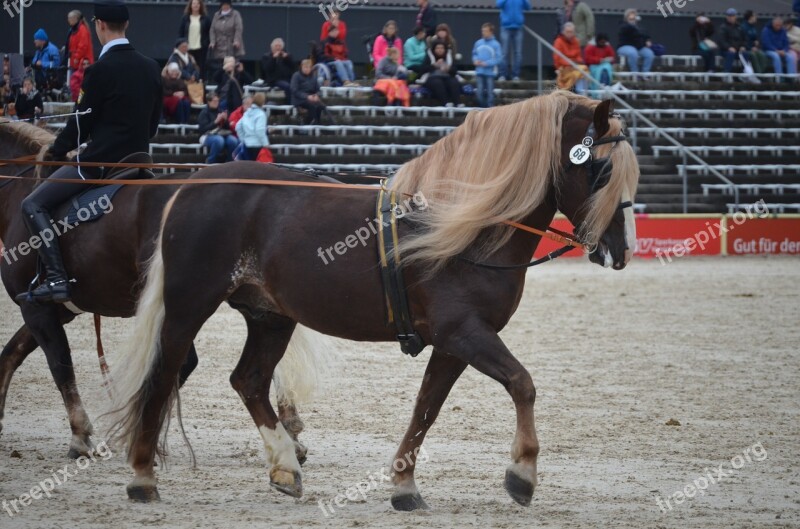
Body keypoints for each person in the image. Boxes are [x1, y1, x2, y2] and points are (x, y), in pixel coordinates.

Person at [17, 0, 162, 304]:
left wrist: (56, 151)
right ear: (127, 26)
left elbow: (80, 129)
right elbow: (152, 126)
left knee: (32, 204)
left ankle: (57, 278)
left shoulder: (98, 70)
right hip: (139, 162)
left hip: (99, 164)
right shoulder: (151, 67)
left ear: (98, 25)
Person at [208, 0, 244, 81]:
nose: (225, 6)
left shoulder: (235, 14)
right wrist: (213, 41)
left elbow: (238, 28)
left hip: (232, 46)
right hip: (220, 46)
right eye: (223, 5)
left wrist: (236, 40)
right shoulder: (216, 15)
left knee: (232, 66)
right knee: (221, 68)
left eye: (227, 5)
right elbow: (212, 29)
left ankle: (233, 82)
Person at [198, 92, 238, 163]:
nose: (216, 103)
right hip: (207, 135)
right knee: (219, 140)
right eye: (214, 101)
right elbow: (203, 129)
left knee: (233, 141)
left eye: (217, 101)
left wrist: (226, 120)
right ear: (209, 102)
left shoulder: (221, 111)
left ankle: (230, 162)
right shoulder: (204, 113)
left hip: (222, 133)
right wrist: (215, 122)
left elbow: (228, 128)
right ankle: (210, 161)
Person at [496, 0, 530, 81]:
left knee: (518, 53)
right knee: (504, 53)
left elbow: (528, 7)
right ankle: (503, 75)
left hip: (518, 28)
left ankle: (516, 75)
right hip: (505, 28)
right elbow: (498, 4)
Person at [178, 0, 211, 78]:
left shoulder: (205, 18)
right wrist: (179, 45)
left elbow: (210, 32)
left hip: (201, 48)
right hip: (188, 48)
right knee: (188, 68)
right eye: (194, 3)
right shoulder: (185, 18)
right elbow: (180, 33)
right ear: (190, 5)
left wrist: (207, 43)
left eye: (198, 4)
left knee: (200, 68)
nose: (196, 5)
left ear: (200, 6)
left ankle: (200, 86)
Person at [472, 22, 502, 107]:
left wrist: (487, 63)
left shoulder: (496, 44)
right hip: (479, 71)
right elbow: (474, 54)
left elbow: (498, 58)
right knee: (479, 93)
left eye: (485, 31)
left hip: (490, 73)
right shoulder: (478, 43)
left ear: (491, 32)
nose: (483, 33)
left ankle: (489, 110)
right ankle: (482, 108)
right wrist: (475, 60)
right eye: (482, 31)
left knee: (490, 93)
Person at [553, 23, 588, 95]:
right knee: (582, 70)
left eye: (571, 32)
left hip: (575, 66)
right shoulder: (558, 41)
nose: (570, 34)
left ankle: (581, 93)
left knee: (583, 69)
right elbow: (558, 58)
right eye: (567, 32)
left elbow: (579, 56)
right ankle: (580, 93)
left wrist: (575, 61)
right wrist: (571, 62)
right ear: (563, 32)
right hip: (563, 67)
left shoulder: (576, 41)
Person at [423, 40, 461, 106]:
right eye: (438, 48)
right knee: (438, 83)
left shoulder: (449, 57)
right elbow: (423, 69)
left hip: (447, 76)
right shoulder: (429, 57)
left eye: (442, 48)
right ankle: (445, 102)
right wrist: (435, 65)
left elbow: (455, 70)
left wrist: (448, 69)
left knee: (454, 82)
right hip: (432, 77)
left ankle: (457, 103)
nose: (440, 50)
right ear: (434, 49)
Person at [617, 8, 654, 74]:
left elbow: (645, 35)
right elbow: (628, 29)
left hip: (638, 48)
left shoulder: (639, 27)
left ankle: (645, 73)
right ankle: (635, 73)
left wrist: (648, 40)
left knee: (649, 54)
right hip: (624, 47)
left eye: (634, 17)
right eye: (630, 18)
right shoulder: (623, 25)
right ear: (626, 18)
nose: (632, 20)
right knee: (633, 53)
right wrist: (633, 25)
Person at [291, 59, 325, 125]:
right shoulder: (296, 76)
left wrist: (317, 95)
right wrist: (307, 96)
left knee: (321, 106)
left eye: (309, 67)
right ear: (301, 67)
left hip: (311, 97)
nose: (307, 69)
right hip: (299, 99)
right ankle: (309, 123)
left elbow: (318, 90)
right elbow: (294, 90)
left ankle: (317, 123)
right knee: (312, 106)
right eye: (305, 67)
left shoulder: (314, 77)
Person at [235, 92, 268, 160]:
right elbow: (260, 130)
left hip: (246, 144)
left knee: (246, 167)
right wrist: (265, 143)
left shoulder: (247, 112)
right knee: (255, 167)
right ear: (263, 102)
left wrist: (243, 139)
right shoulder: (261, 114)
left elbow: (238, 126)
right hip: (257, 145)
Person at [260, 38, 294, 104]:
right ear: (272, 47)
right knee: (287, 86)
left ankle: (297, 104)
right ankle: (290, 105)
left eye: (280, 46)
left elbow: (292, 67)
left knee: (295, 85)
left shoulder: (286, 56)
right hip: (274, 80)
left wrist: (287, 58)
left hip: (287, 78)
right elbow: (267, 69)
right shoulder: (266, 56)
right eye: (276, 46)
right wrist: (273, 58)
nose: (278, 48)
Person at [717, 9, 750, 73]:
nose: (730, 17)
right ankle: (727, 72)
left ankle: (745, 72)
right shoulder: (723, 27)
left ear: (735, 17)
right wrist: (729, 47)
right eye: (729, 16)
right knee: (731, 54)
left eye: (732, 16)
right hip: (725, 50)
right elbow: (721, 40)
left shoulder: (740, 27)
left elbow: (745, 39)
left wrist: (743, 46)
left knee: (745, 54)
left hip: (738, 50)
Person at [65, 10, 94, 84]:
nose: (68, 20)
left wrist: (76, 58)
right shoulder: (74, 30)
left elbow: (83, 46)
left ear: (75, 18)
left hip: (81, 63)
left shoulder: (82, 29)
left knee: (78, 84)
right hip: (75, 62)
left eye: (69, 18)